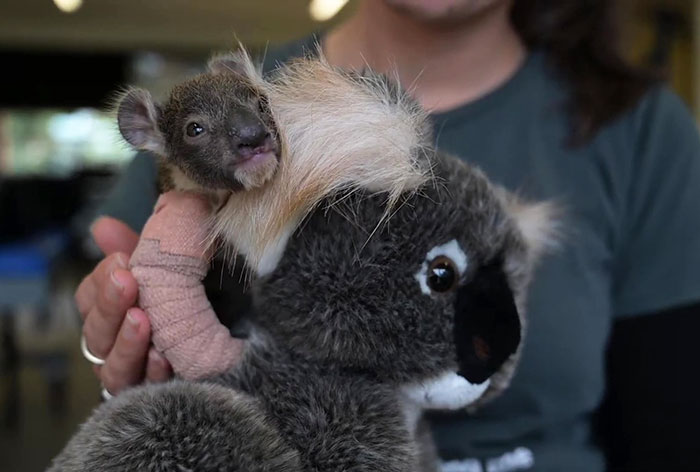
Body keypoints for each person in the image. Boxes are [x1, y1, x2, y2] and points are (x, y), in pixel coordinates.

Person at [75, 0, 700, 470]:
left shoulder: (641, 131)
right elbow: (138, 335)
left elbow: (667, 425)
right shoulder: (201, 131)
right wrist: (120, 354)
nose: (247, 134)